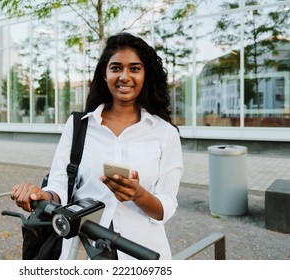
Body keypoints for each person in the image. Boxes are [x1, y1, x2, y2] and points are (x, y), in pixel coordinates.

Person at [11, 32, 183, 260]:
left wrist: (138, 194)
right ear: (104, 74)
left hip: (140, 251)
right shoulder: (79, 126)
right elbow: (60, 184)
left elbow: (166, 207)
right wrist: (42, 196)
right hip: (81, 248)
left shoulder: (165, 133)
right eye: (115, 68)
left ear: (145, 75)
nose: (124, 76)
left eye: (134, 68)